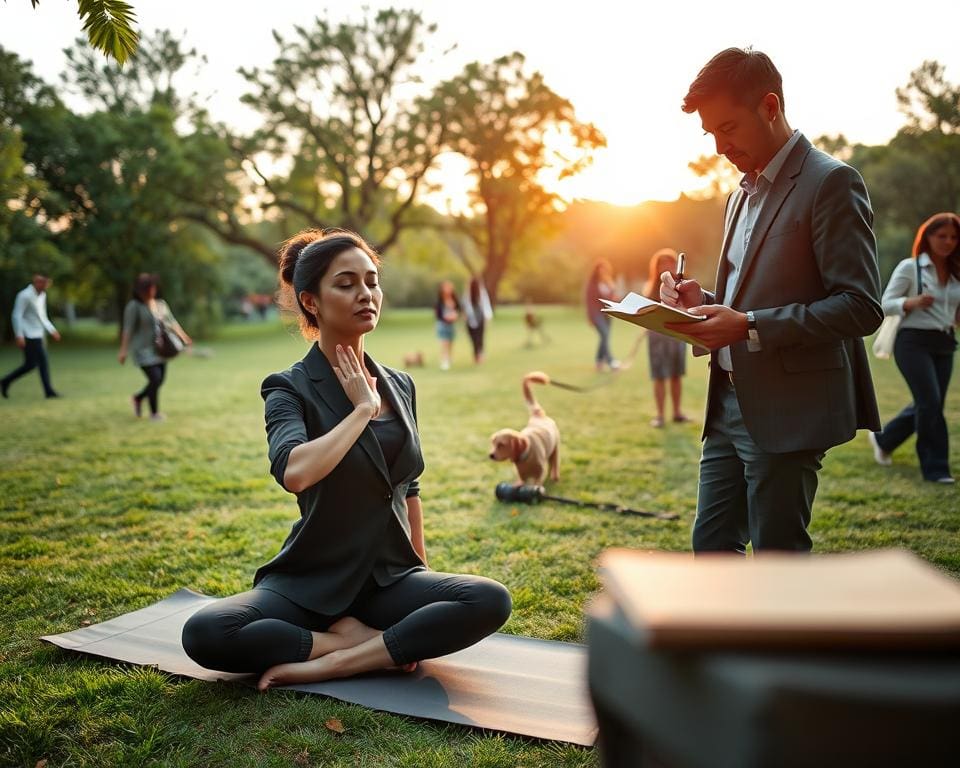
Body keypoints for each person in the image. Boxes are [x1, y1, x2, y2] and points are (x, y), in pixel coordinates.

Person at [182, 229, 512, 690]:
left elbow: (408, 486)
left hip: (391, 579)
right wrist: (360, 411)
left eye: (372, 281)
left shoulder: (400, 384)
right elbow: (295, 472)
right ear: (311, 302)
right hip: (311, 580)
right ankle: (347, 642)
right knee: (205, 632)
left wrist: (422, 566)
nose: (365, 294)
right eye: (346, 283)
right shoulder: (287, 387)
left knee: (489, 600)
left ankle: (340, 661)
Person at [660, 47, 883, 553]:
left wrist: (747, 325)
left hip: (789, 412)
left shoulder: (832, 183)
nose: (719, 146)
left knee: (778, 560)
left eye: (728, 128)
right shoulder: (738, 193)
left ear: (769, 106)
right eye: (710, 133)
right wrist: (702, 301)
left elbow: (861, 306)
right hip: (725, 405)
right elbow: (746, 301)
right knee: (711, 548)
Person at [868, 213, 960, 483]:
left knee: (929, 403)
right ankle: (936, 469)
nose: (948, 242)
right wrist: (911, 302)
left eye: (954, 237)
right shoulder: (911, 268)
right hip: (912, 342)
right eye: (941, 236)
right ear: (928, 237)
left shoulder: (957, 271)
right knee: (930, 403)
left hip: (944, 341)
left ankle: (884, 440)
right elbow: (884, 303)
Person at [118, 273, 192, 421]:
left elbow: (172, 323)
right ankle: (154, 413)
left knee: (160, 380)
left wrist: (184, 337)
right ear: (141, 290)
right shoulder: (134, 306)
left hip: (160, 349)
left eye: (153, 287)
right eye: (149, 288)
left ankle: (138, 398)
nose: (153, 290)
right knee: (155, 378)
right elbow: (128, 330)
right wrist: (123, 350)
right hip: (143, 350)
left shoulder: (160, 304)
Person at [643, 249, 690, 428]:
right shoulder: (651, 288)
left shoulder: (682, 285)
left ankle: (677, 413)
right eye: (661, 263)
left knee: (676, 375)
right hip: (656, 338)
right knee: (659, 376)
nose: (666, 266)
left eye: (669, 262)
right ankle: (660, 415)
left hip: (676, 336)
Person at [1, 273, 61, 399]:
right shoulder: (24, 295)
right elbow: (16, 315)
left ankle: (5, 381)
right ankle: (48, 391)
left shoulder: (42, 296)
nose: (45, 285)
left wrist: (52, 330)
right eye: (43, 282)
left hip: (38, 333)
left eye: (47, 282)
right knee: (37, 363)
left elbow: (42, 316)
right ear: (37, 281)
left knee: (32, 364)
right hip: (28, 334)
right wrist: (19, 335)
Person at [585, 260, 619, 372]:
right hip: (596, 314)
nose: (603, 271)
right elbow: (588, 301)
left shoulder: (608, 282)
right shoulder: (592, 284)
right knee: (604, 335)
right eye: (601, 269)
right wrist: (590, 317)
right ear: (596, 270)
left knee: (604, 337)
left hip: (607, 313)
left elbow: (612, 297)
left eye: (605, 269)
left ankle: (599, 362)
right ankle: (611, 361)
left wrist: (614, 297)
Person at [462, 276, 493, 364]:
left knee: (479, 339)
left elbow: (486, 306)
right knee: (474, 339)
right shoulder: (467, 294)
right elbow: (465, 308)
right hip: (470, 320)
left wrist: (487, 318)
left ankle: (480, 356)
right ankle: (476, 355)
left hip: (480, 320)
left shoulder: (482, 293)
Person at [435, 280, 461, 370]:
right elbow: (438, 315)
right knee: (444, 343)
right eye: (446, 287)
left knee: (450, 343)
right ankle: (444, 361)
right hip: (442, 325)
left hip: (452, 325)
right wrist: (447, 317)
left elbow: (459, 310)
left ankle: (449, 358)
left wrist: (455, 316)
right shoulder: (440, 301)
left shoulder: (454, 299)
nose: (448, 289)